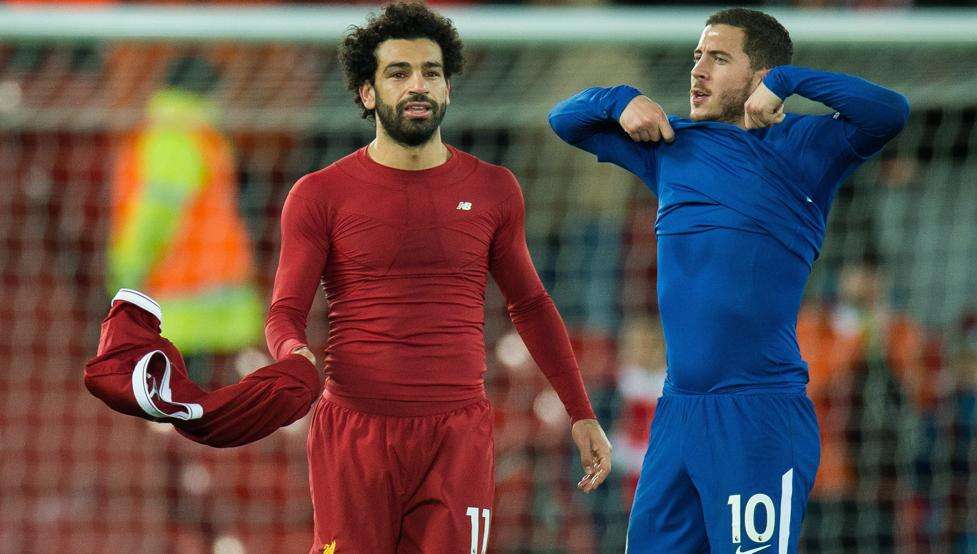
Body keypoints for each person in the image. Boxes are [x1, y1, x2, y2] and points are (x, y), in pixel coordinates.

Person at [548, 7, 908, 553]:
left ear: (759, 75)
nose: (698, 71)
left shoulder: (809, 149)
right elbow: (564, 120)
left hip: (758, 415)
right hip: (677, 413)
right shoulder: (671, 146)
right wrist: (618, 98)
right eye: (697, 57)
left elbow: (889, 111)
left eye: (718, 59)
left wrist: (788, 83)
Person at [263, 3, 612, 552]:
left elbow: (531, 306)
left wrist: (581, 412)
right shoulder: (319, 194)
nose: (418, 85)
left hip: (457, 438)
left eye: (431, 72)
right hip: (354, 432)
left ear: (448, 87)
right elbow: (285, 312)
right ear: (367, 93)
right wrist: (292, 352)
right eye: (398, 73)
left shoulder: (496, 189)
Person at [106, 55, 264, 382]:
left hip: (176, 287)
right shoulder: (202, 136)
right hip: (218, 282)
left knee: (171, 396)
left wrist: (129, 268)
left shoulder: (169, 137)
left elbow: (155, 216)